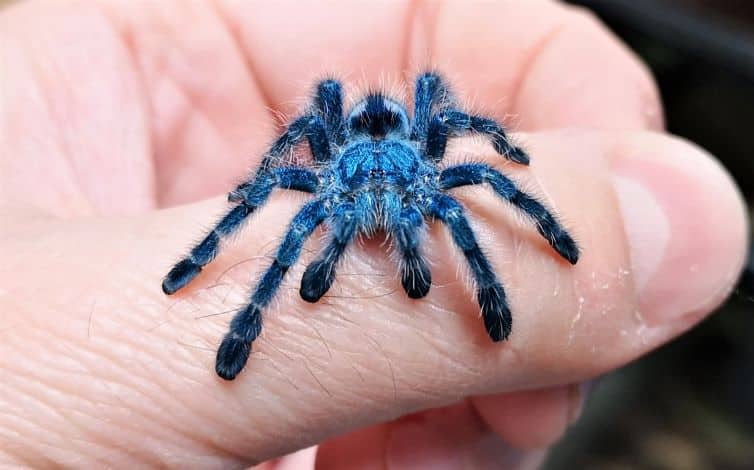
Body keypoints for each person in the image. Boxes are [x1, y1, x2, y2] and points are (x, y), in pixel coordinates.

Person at [0, 0, 748, 468]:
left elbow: (478, 154)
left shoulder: (432, 158)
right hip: (345, 164)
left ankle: (518, 262)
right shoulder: (324, 166)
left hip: (404, 154)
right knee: (286, 225)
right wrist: (249, 189)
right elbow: (271, 177)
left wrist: (516, 165)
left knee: (471, 190)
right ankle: (234, 305)